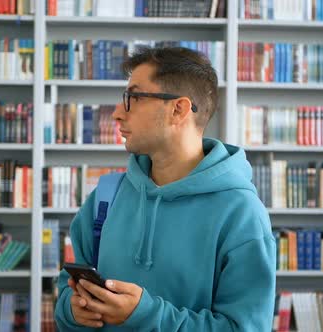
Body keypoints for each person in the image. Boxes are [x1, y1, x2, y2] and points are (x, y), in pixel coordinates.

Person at [54, 46, 276, 331]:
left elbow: (245, 327)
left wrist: (145, 315)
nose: (117, 114)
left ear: (178, 109)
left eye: (132, 98)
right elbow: (66, 291)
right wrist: (73, 311)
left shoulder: (242, 214)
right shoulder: (106, 195)